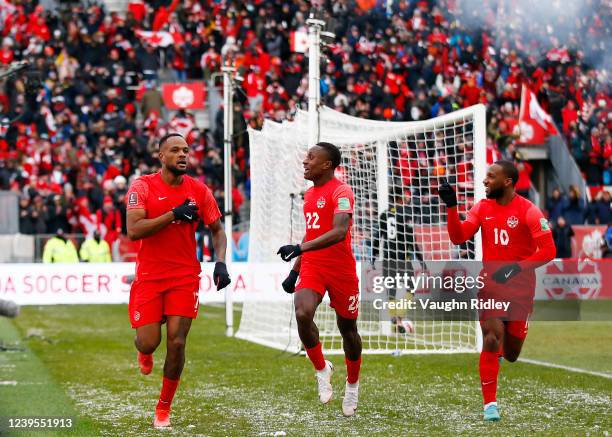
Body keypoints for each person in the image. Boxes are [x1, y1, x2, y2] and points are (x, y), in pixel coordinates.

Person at [125, 133, 231, 428]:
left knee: (177, 341)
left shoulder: (199, 190)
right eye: (175, 150)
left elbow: (218, 230)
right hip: (149, 276)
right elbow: (134, 230)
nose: (183, 155)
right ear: (161, 156)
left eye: (186, 150)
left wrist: (220, 262)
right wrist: (173, 214)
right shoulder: (142, 186)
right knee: (149, 342)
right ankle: (143, 352)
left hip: (185, 276)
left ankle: (163, 407)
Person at [438, 160, 556, 422]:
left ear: (508, 182)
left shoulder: (530, 211)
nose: (485, 180)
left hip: (521, 290)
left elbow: (549, 251)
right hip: (490, 284)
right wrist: (451, 207)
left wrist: (515, 269)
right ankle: (489, 404)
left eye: (491, 176)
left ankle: (503, 352)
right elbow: (459, 237)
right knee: (491, 335)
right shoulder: (481, 207)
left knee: (512, 354)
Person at [277, 142, 362, 417]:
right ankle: (321, 368)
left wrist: (300, 250)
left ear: (327, 164)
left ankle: (352, 385)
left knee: (347, 329)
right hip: (313, 264)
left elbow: (339, 232)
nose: (305, 161)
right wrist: (295, 270)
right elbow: (311, 233)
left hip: (341, 268)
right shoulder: (309, 194)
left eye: (311, 157)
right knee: (302, 313)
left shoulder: (342, 191)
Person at [372, 188, 427, 333]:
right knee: (411, 288)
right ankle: (400, 317)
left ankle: (395, 321)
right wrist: (421, 260)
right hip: (403, 258)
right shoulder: (406, 213)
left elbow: (378, 236)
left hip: (389, 258)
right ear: (400, 198)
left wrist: (374, 254)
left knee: (391, 291)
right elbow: (411, 239)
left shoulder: (384, 215)